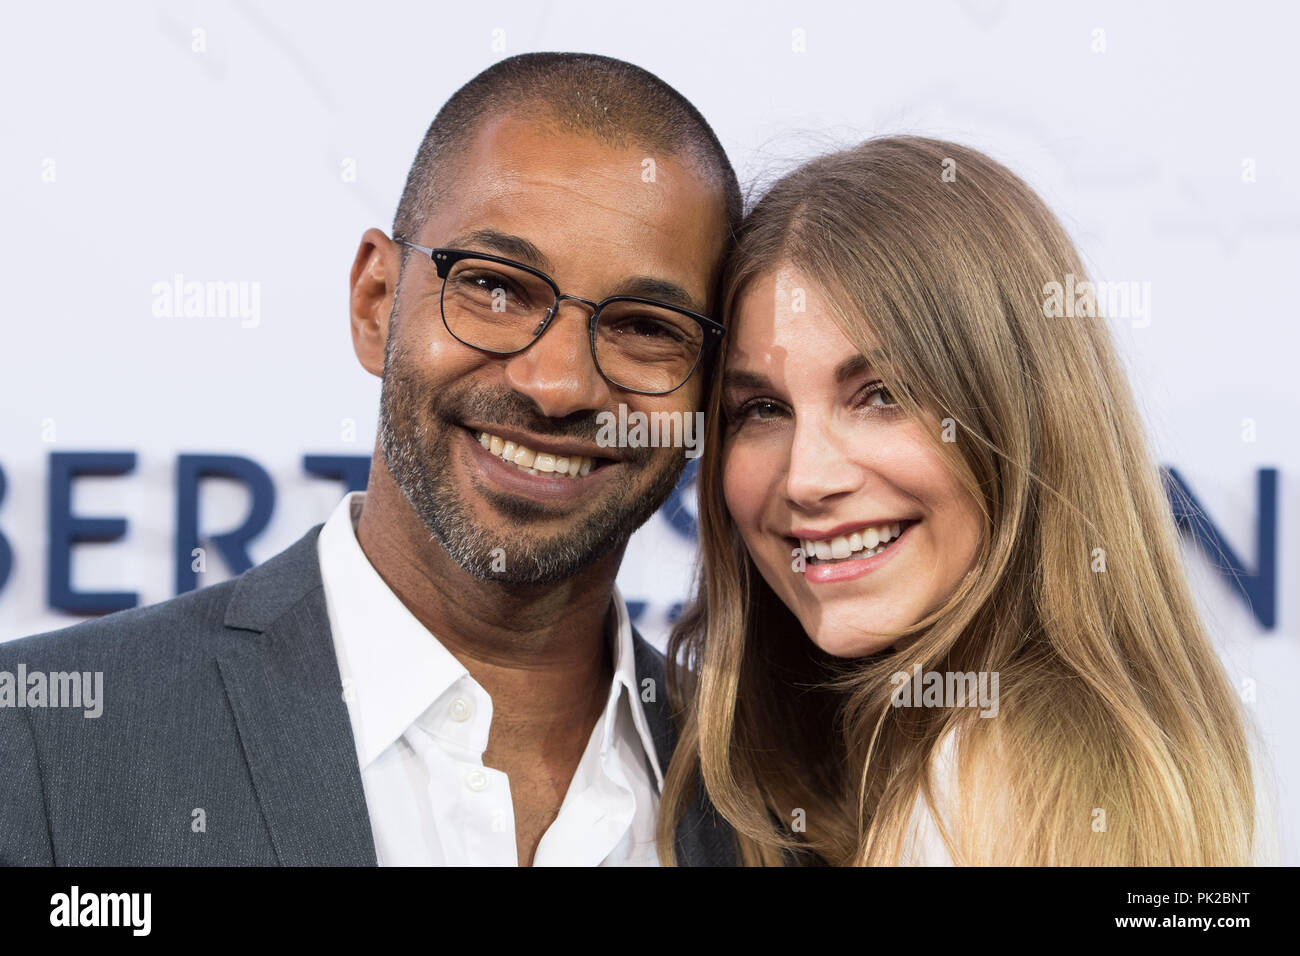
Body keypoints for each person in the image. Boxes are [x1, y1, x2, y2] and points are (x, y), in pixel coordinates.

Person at [0, 52, 740, 867]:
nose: (557, 384)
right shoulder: (37, 744)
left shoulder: (781, 794)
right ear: (375, 302)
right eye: (495, 289)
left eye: (645, 327)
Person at [657, 135, 1276, 866]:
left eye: (882, 395)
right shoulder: (1096, 755)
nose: (805, 479)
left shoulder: (978, 792)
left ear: (1024, 414)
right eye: (761, 409)